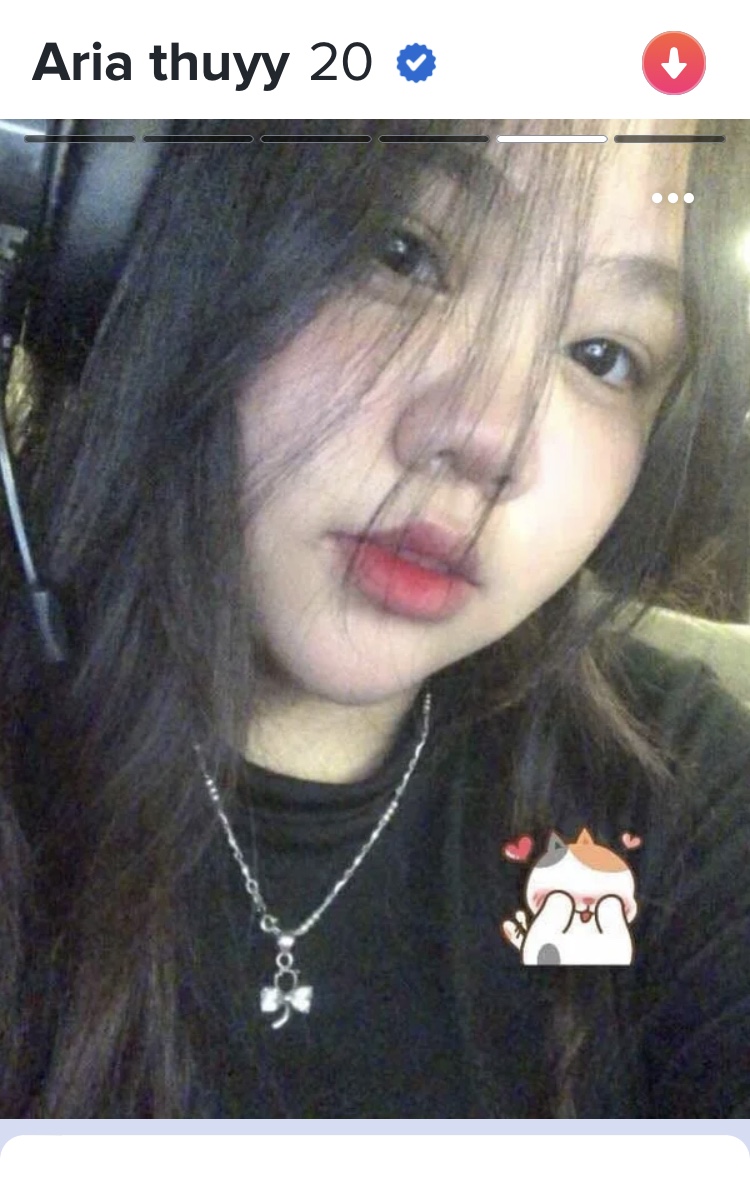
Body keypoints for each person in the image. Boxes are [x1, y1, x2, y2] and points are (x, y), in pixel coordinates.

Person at [0, 118, 749, 1118]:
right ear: (137, 234)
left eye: (604, 355)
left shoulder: (678, 786)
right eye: (402, 254)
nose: (491, 443)